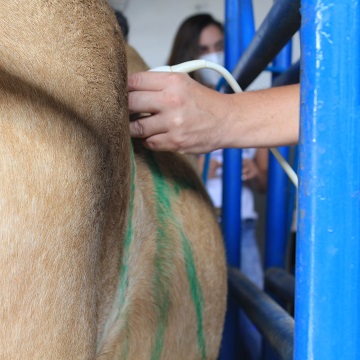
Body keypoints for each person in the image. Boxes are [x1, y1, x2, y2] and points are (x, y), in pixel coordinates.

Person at [165, 13, 269, 360]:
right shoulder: (172, 109)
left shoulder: (252, 105)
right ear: (187, 53)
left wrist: (252, 170)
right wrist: (199, 164)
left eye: (220, 47)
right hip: (192, 227)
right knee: (193, 324)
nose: (213, 56)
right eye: (203, 48)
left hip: (242, 222)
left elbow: (269, 184)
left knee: (254, 323)